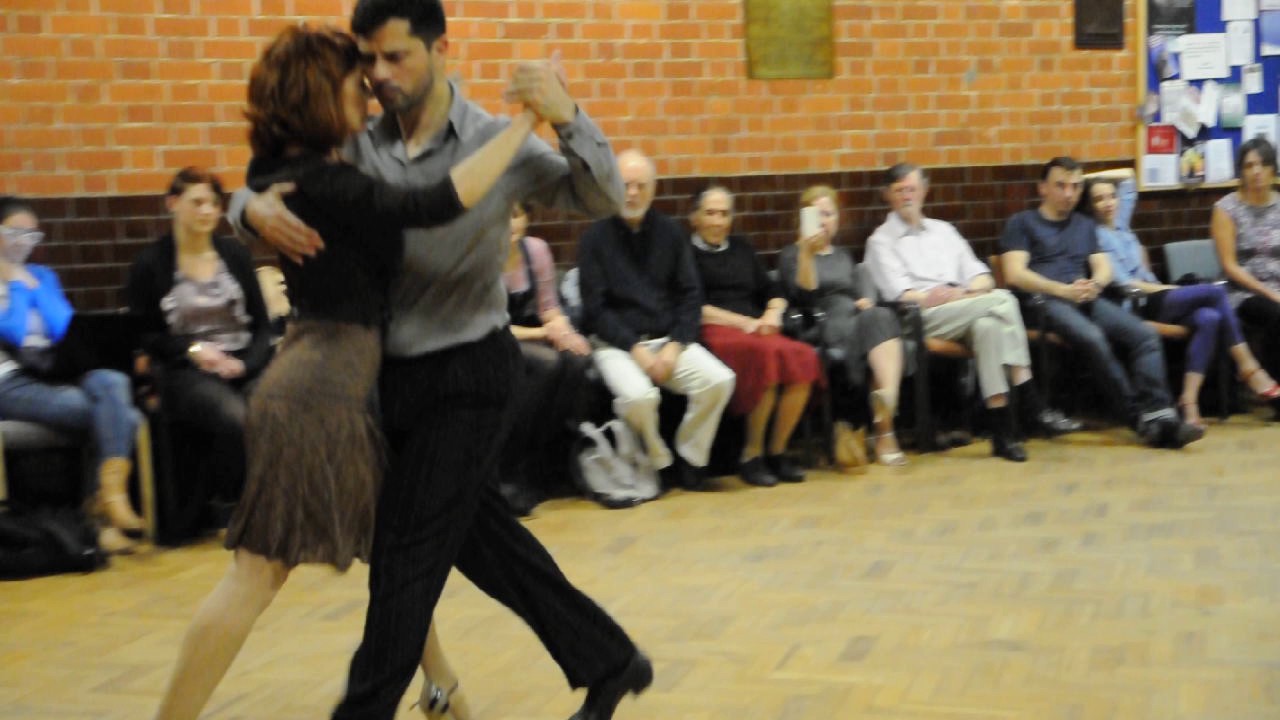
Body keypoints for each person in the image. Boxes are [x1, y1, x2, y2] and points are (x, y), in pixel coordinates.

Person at [231, 2, 651, 718]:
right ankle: (609, 660)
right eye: (369, 61)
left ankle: (361, 710)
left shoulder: (497, 142)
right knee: (482, 543)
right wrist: (248, 207)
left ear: (440, 48)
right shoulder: (357, 144)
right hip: (388, 380)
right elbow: (280, 173)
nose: (380, 75)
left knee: (403, 560)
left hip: (470, 375)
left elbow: (603, 195)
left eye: (397, 57)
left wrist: (567, 113)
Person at [152, 24, 541, 720]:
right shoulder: (328, 181)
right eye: (352, 80)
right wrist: (523, 128)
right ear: (316, 93)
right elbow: (434, 204)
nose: (367, 90)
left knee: (396, 554)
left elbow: (249, 193)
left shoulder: (283, 173)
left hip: (332, 381)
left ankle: (441, 689)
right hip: (320, 392)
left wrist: (247, 205)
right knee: (258, 573)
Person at [865, 163, 1080, 463]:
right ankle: (1030, 400)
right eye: (900, 191)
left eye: (912, 189)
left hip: (965, 305)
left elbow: (983, 277)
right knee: (1005, 301)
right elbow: (899, 295)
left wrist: (963, 293)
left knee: (989, 326)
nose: (907, 196)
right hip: (920, 316)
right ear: (888, 195)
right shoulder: (880, 241)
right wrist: (935, 297)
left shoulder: (944, 231)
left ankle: (1001, 432)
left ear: (924, 191)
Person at [999, 156, 1202, 448]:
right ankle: (1140, 421)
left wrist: (1095, 284)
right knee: (1093, 338)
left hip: (1085, 297)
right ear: (1042, 188)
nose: (1069, 193)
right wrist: (1061, 290)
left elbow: (1102, 266)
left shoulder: (1084, 224)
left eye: (1075, 187)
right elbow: (1014, 273)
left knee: (1144, 336)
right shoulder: (1022, 223)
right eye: (1061, 186)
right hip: (1043, 303)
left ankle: (1162, 415)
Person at [126, 168, 273, 542]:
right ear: (172, 204)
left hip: (240, 358)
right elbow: (146, 334)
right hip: (187, 367)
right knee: (235, 417)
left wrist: (245, 363)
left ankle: (279, 507)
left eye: (213, 203)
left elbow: (260, 326)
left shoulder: (235, 255)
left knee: (275, 408)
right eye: (197, 202)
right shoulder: (151, 263)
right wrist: (194, 350)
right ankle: (248, 511)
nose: (207, 211)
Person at [577, 150, 736, 491]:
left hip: (667, 340)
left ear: (653, 189)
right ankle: (659, 458)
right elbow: (595, 310)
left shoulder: (670, 233)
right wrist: (636, 350)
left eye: (641, 186)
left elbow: (690, 296)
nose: (632, 193)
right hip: (615, 345)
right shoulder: (593, 239)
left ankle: (692, 458)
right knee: (639, 398)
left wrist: (675, 345)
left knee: (719, 380)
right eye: (625, 185)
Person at [0, 196, 143, 554]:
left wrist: (31, 284)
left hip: (57, 368)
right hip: (11, 380)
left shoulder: (44, 276)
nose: (25, 241)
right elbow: (13, 331)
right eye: (15, 232)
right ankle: (102, 514)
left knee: (114, 382)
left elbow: (64, 325)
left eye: (32, 234)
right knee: (120, 414)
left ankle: (109, 499)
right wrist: (15, 285)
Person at [1085, 168, 1280, 429]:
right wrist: (1168, 290)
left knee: (1209, 317)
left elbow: (1129, 178)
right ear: (1089, 205)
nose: (1108, 203)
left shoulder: (1121, 224)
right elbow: (1124, 283)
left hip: (1160, 295)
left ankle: (1189, 403)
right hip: (1138, 303)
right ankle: (1248, 367)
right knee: (1215, 292)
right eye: (1099, 199)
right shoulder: (1094, 235)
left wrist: (1089, 179)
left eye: (1111, 196)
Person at [687, 184, 820, 485]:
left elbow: (772, 290)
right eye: (710, 213)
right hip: (714, 329)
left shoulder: (742, 247)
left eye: (724, 214)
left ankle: (777, 452)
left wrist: (772, 313)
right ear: (694, 218)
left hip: (755, 327)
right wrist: (744, 323)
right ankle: (752, 454)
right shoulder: (684, 252)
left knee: (803, 356)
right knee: (765, 356)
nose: (718, 221)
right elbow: (692, 305)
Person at [779, 184, 907, 468]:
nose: (824, 221)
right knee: (873, 328)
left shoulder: (843, 255)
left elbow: (857, 289)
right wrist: (806, 253)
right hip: (820, 325)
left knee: (881, 316)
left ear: (837, 218)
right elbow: (805, 296)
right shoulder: (791, 254)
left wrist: (863, 301)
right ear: (802, 219)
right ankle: (885, 430)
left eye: (829, 214)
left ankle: (885, 404)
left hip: (852, 318)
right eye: (816, 215)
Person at [499, 200, 592, 514]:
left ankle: (550, 460)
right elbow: (491, 324)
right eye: (503, 216)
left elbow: (549, 306)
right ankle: (510, 468)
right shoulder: (480, 255)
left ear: (526, 219)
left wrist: (566, 332)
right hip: (493, 339)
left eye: (516, 215)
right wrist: (544, 334)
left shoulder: (536, 250)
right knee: (547, 363)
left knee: (578, 360)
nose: (510, 224)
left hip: (531, 332)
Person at [1211, 137, 1280, 417]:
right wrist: (1272, 293)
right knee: (1277, 314)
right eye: (1250, 165)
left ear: (1273, 169)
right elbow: (1230, 266)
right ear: (1241, 171)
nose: (1257, 171)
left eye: (1263, 164)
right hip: (1244, 291)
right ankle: (1275, 393)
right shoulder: (1226, 209)